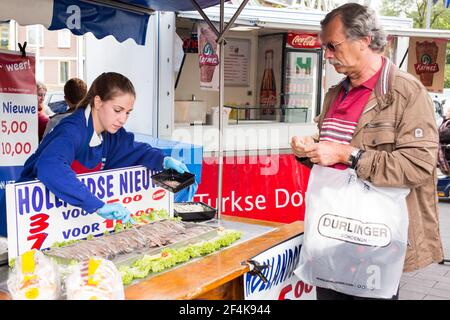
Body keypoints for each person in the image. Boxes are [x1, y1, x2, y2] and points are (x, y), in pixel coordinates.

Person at [291, 3, 443, 300]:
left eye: (332, 46)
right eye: (325, 47)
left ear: (364, 40)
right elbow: (334, 158)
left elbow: (419, 166)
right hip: (330, 235)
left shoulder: (405, 92)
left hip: (375, 241)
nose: (328, 55)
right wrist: (310, 150)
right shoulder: (335, 93)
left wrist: (347, 155)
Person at [0, 72, 194, 236]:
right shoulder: (72, 130)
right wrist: (97, 205)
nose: (122, 119)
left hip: (56, 221)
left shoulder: (110, 134)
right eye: (118, 110)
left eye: (128, 112)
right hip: (20, 222)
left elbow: (134, 149)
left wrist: (163, 159)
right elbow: (50, 167)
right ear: (98, 102)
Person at [438, 107, 450, 175]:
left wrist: (435, 134)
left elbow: (444, 136)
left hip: (447, 154)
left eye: (448, 112)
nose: (445, 113)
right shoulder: (445, 122)